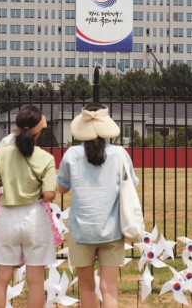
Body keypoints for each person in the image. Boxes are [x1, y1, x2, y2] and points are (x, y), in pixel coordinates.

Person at [57, 103, 139, 308]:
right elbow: (132, 184)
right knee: (109, 287)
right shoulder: (120, 154)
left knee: (85, 287)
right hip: (112, 230)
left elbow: (61, 188)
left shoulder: (71, 154)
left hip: (81, 231)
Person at [0, 105, 57, 308]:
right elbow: (49, 195)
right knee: (36, 281)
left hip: (7, 217)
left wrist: (8, 185)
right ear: (37, 132)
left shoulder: (2, 154)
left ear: (16, 128)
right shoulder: (46, 158)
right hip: (35, 218)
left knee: (1, 280)